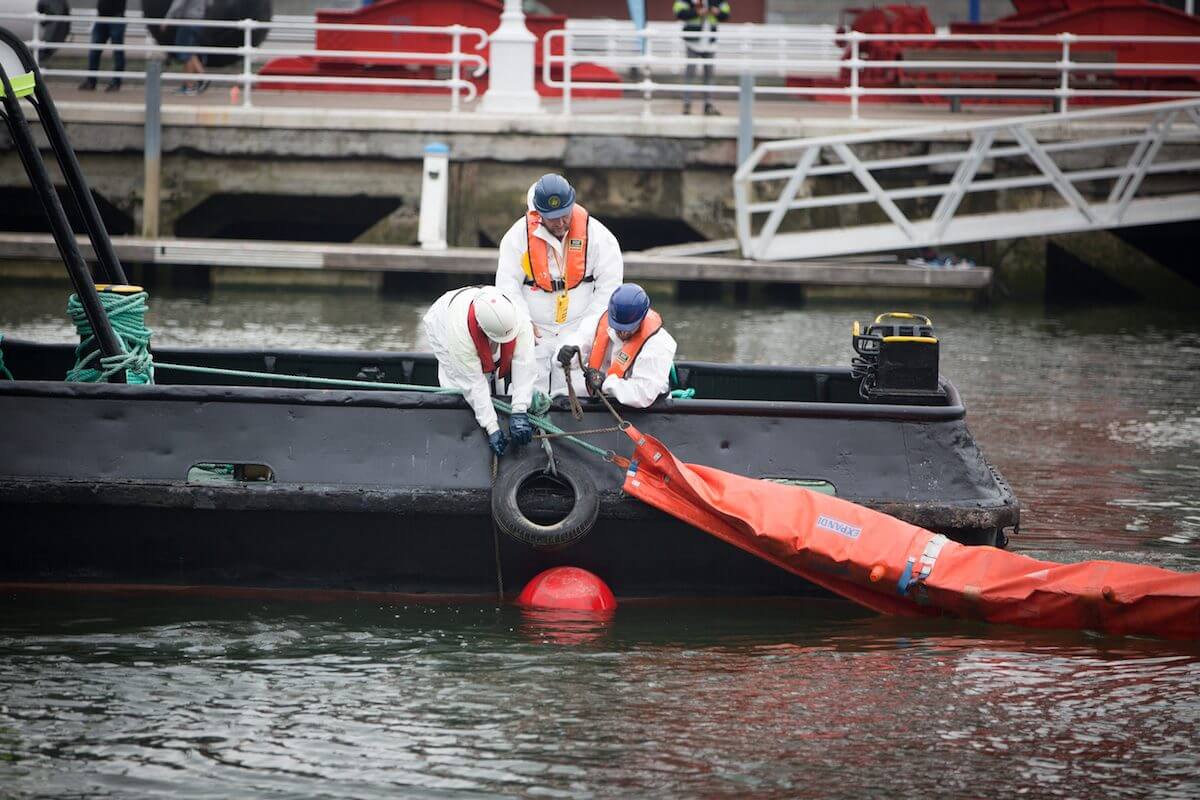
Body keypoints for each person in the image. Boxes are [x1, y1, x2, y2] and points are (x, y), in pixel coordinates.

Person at [495, 173, 623, 398]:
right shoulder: (516, 237)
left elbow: (609, 289)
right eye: (553, 218)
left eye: (565, 215)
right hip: (535, 328)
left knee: (577, 388)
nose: (561, 222)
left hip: (578, 324)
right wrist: (523, 321)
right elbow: (507, 286)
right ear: (538, 213)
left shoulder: (599, 236)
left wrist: (584, 333)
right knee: (529, 388)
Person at [422, 285, 536, 458]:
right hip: (443, 323)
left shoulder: (517, 317)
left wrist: (520, 410)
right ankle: (463, 437)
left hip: (481, 318)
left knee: (495, 377)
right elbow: (473, 383)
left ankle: (500, 412)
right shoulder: (458, 335)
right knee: (459, 388)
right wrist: (492, 427)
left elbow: (525, 362)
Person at [559, 283, 677, 409]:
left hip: (647, 411)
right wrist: (565, 355)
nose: (623, 333)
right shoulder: (596, 323)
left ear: (642, 319)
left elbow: (643, 394)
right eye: (618, 328)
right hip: (601, 404)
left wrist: (606, 382)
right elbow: (577, 341)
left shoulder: (659, 343)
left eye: (629, 328)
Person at [674, 0, 731, 116]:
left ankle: (708, 105)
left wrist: (716, 12)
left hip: (710, 41)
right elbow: (679, 13)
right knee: (690, 73)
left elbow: (726, 15)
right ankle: (687, 104)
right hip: (693, 41)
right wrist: (697, 12)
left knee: (709, 74)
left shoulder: (717, 1)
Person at [79, 0, 127, 93]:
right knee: (94, 51)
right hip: (101, 17)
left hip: (116, 17)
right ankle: (91, 81)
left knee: (118, 52)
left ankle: (116, 83)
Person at [165, 0, 208, 95]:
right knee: (190, 52)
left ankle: (190, 85)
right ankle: (195, 80)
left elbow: (179, 2)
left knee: (186, 53)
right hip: (198, 20)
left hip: (188, 20)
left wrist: (168, 18)